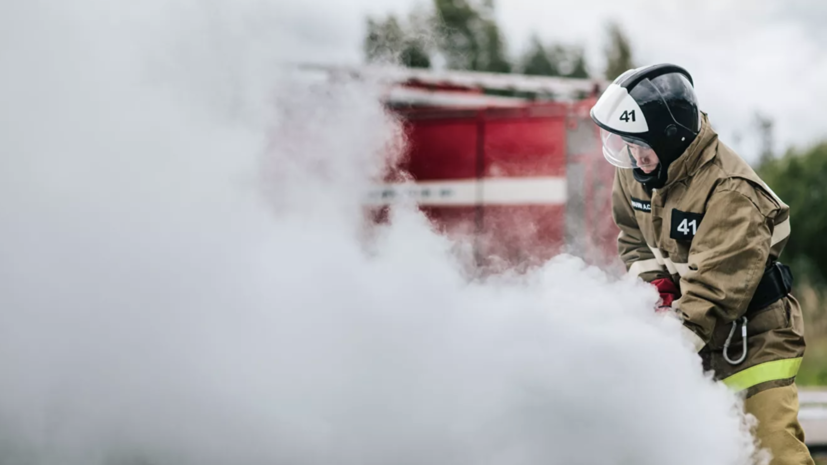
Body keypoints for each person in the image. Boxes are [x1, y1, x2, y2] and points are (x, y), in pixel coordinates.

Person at [590, 64, 813, 465]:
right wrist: (654, 291)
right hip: (687, 327)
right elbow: (633, 239)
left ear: (671, 139)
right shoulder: (638, 169)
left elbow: (711, 294)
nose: (633, 158)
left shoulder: (732, 193)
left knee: (772, 452)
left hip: (752, 339)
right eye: (626, 145)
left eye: (642, 147)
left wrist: (658, 360)